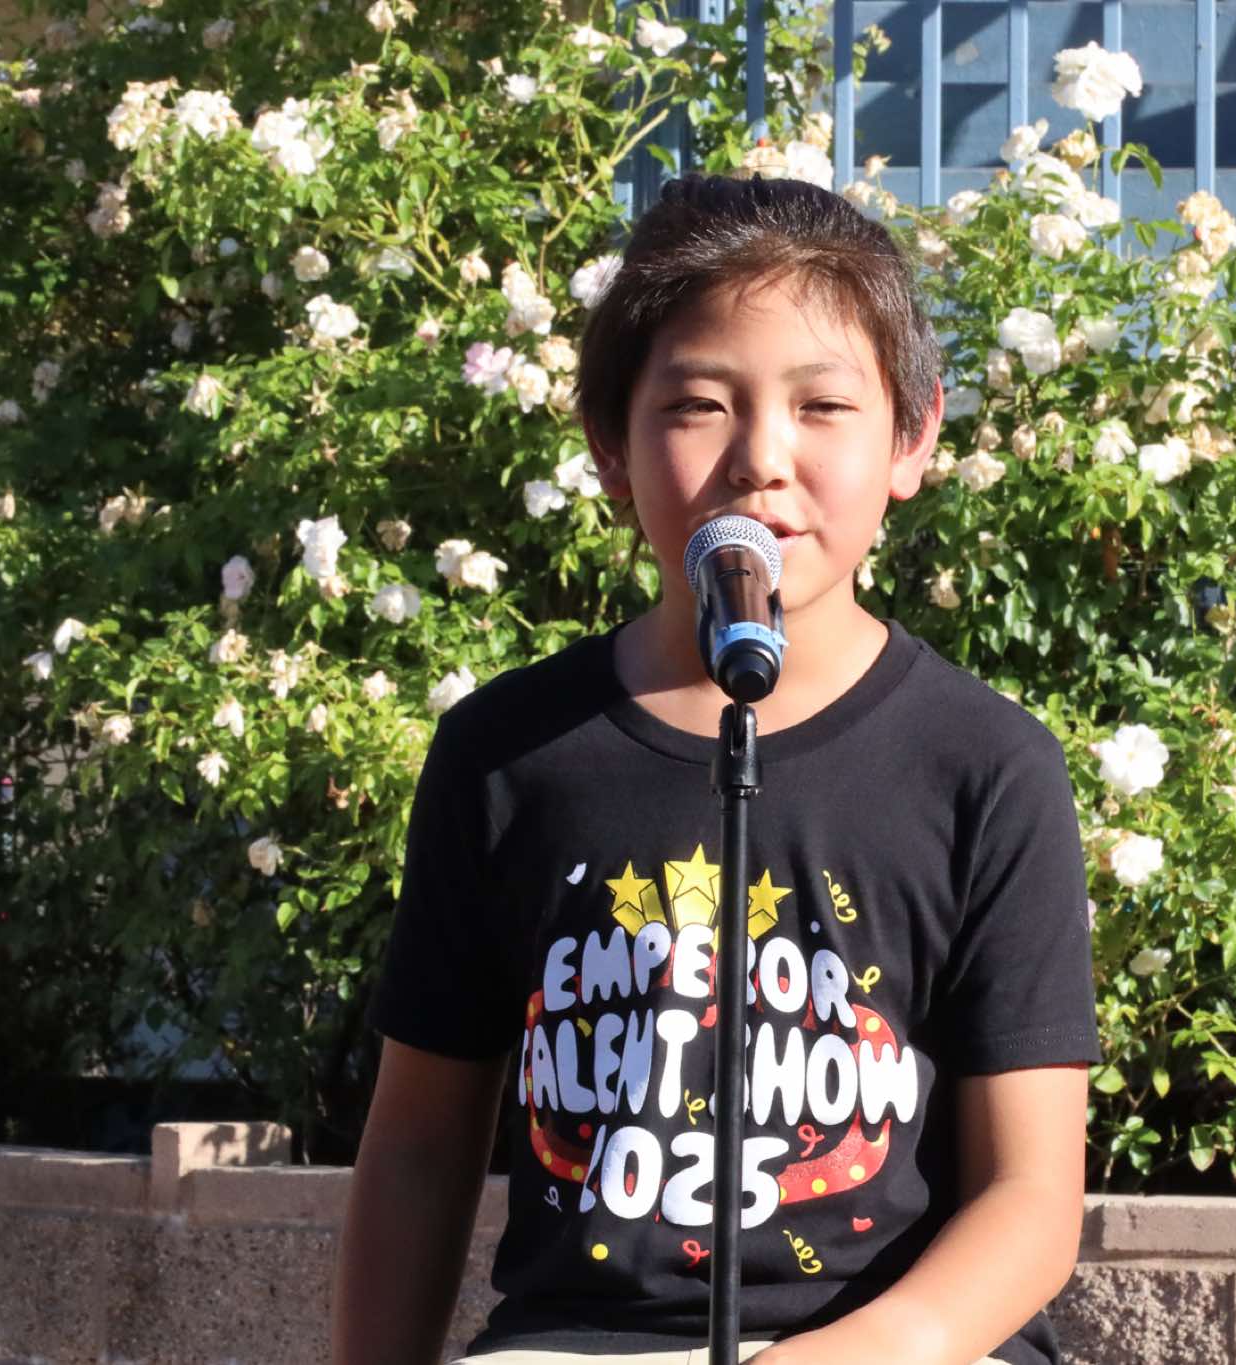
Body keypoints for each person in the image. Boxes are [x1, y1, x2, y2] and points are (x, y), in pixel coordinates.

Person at [332, 173, 1098, 1365]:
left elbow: (1030, 1197)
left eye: (823, 405)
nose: (759, 460)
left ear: (911, 438)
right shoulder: (505, 753)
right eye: (697, 405)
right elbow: (419, 1149)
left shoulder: (986, 766)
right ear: (609, 445)